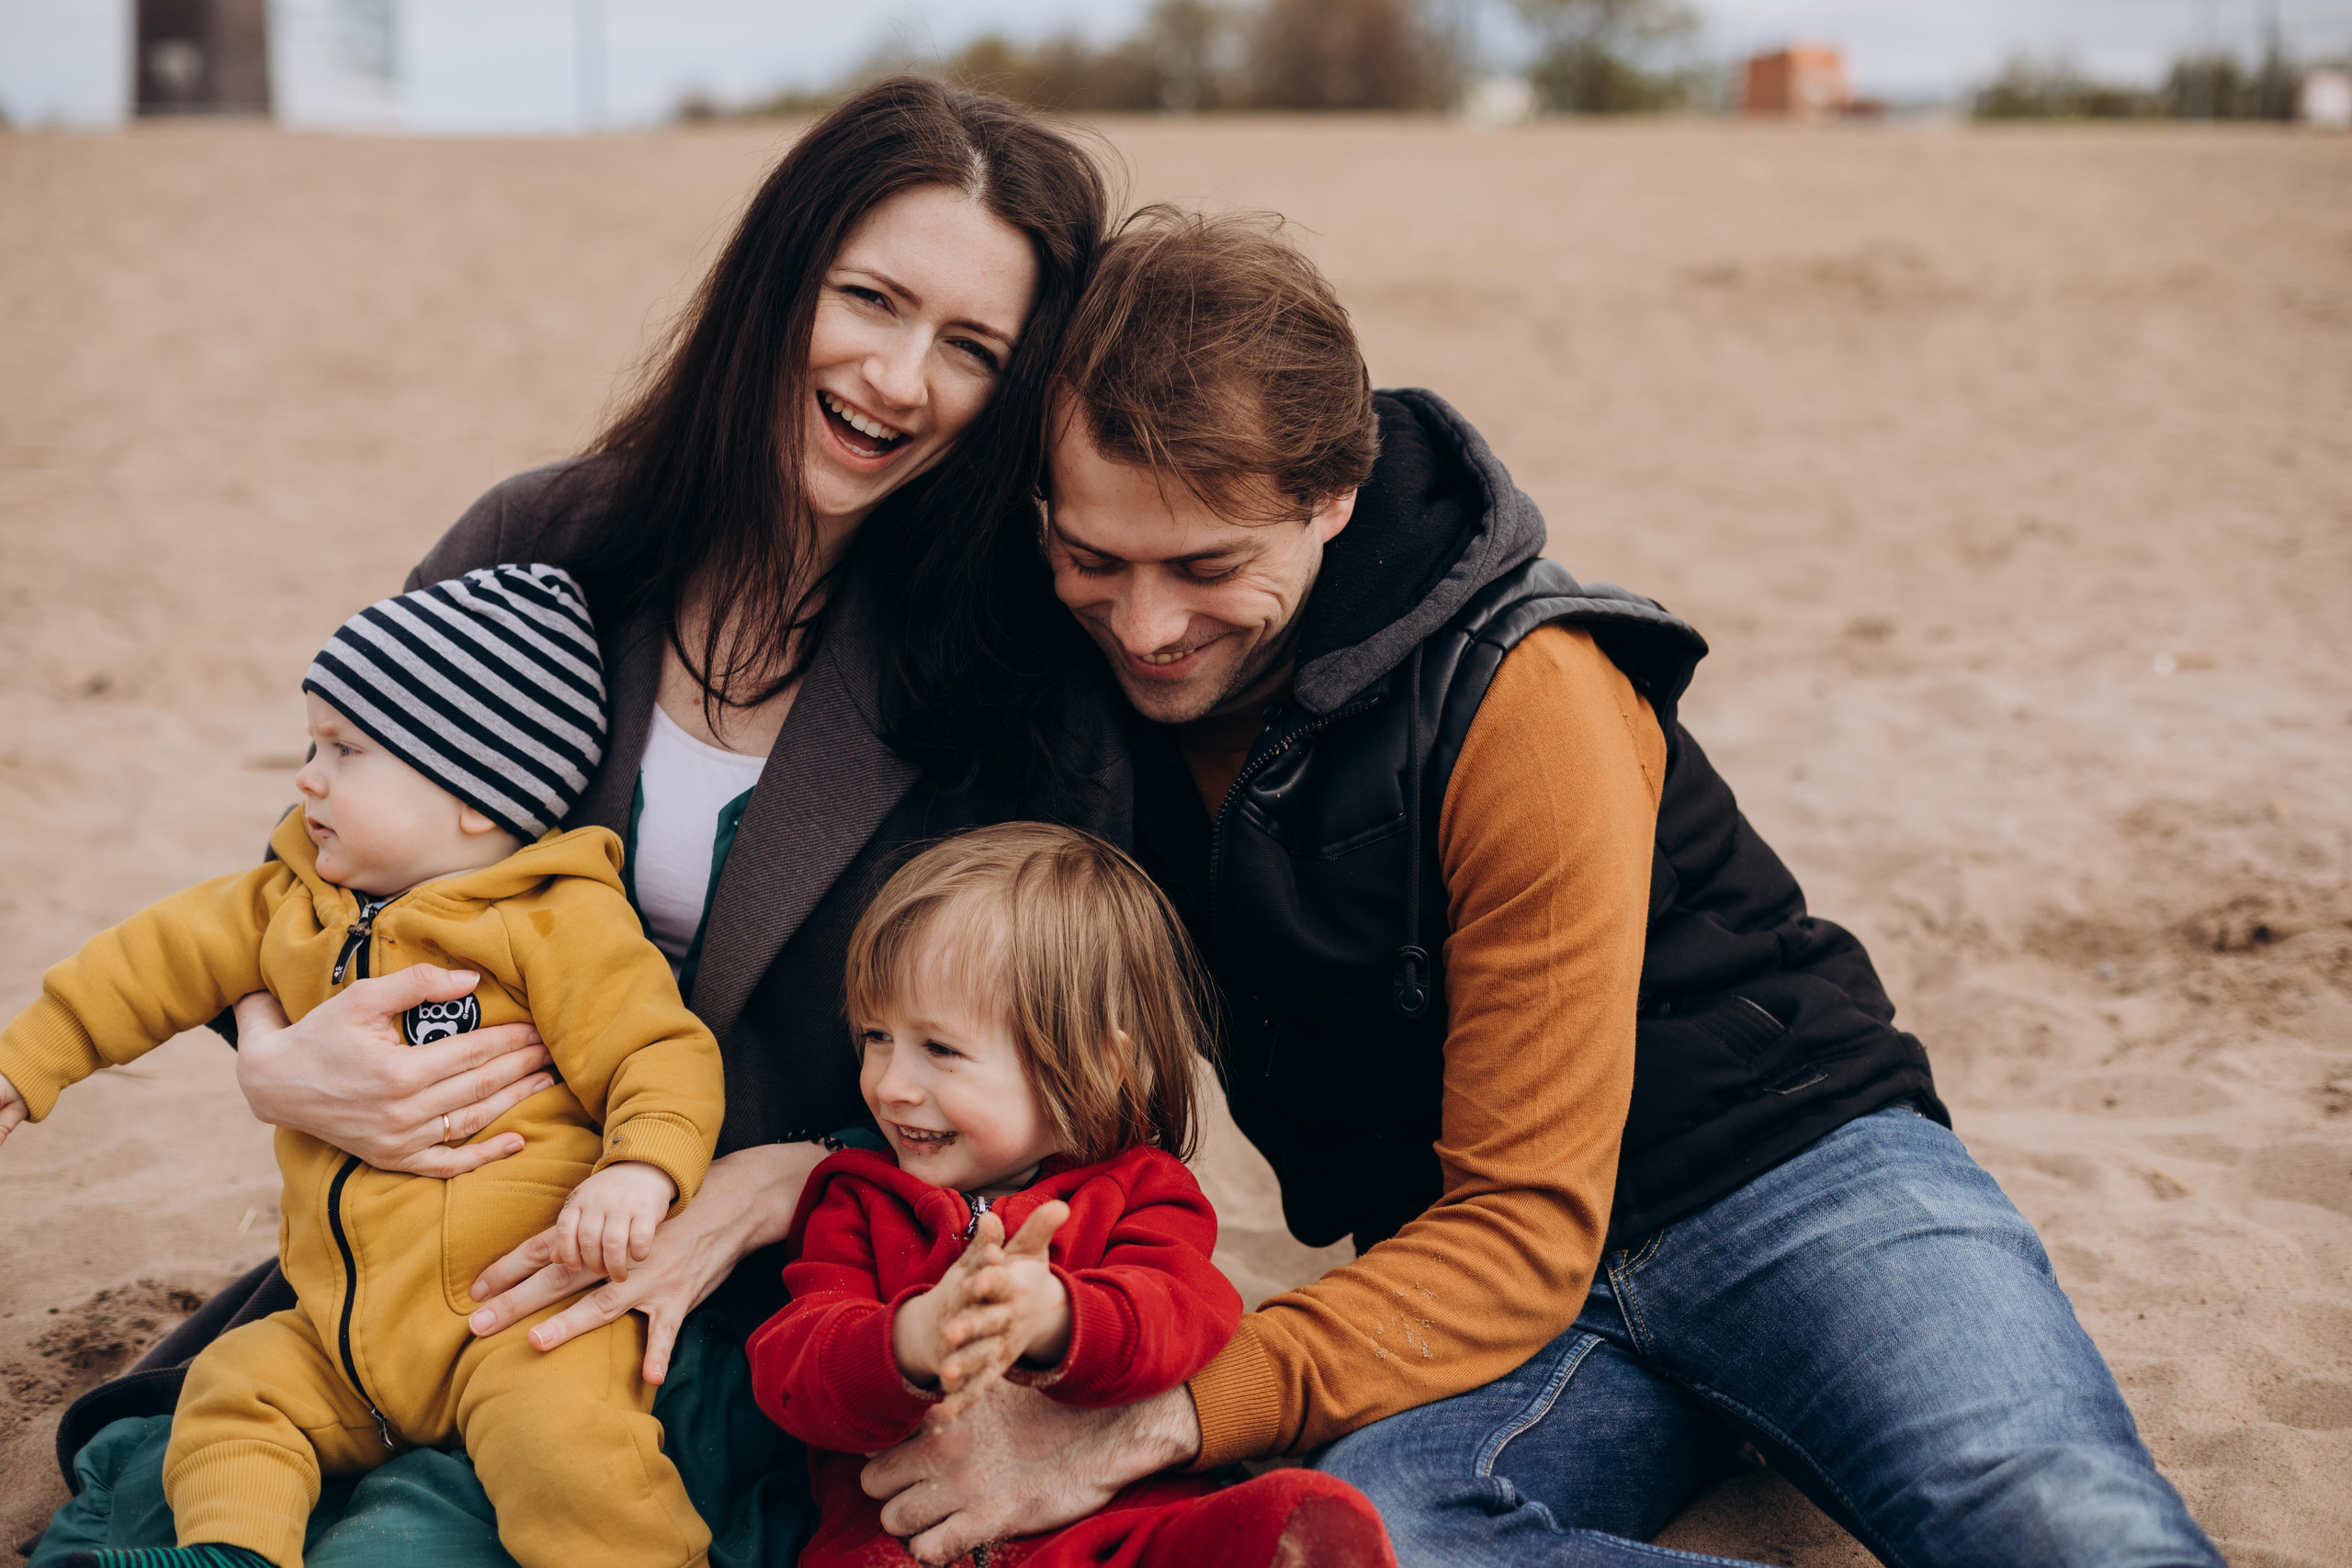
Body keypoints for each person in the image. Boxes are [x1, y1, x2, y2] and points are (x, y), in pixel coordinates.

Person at [853, 209, 2227, 1568]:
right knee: (1371, 1542)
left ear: (1332, 494)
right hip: (1481, 1300)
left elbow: (1527, 1221)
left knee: (2049, 1513)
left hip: (1794, 1182)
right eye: (1095, 559)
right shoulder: (1064, 693)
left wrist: (1150, 1418)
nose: (1146, 627)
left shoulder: (1528, 691)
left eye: (1209, 567)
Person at [40, 78, 1120, 1564]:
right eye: (870, 297)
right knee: (199, 1491)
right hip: (414, 1261)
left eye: (972, 348)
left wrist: (798, 1165)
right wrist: (281, 1063)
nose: (899, 374)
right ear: (777, 281)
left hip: (725, 1298)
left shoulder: (1007, 679)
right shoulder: (539, 544)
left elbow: (1074, 1059)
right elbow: (309, 872)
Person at [0, 566, 726, 1568]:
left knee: (571, 1459)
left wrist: (642, 1169)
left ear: (477, 798)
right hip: (342, 1335)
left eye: (346, 751)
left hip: (518, 1318)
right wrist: (24, 1066)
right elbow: (143, 965)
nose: (307, 777)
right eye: (311, 743)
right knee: (231, 1391)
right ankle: (233, 1555)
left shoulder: (560, 919)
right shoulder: (286, 902)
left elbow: (657, 1048)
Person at [747, 822, 1397, 1568]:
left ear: (1093, 1063)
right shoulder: (857, 1202)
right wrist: (912, 1340)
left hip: (1108, 1530)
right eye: (875, 1036)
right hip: (907, 1539)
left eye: (941, 1049)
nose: (890, 1084)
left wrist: (1056, 1318)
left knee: (1267, 1517)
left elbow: (1184, 1319)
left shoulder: (1144, 1194)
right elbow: (791, 1368)